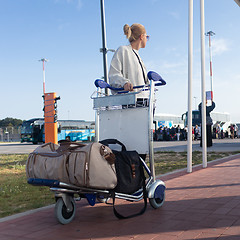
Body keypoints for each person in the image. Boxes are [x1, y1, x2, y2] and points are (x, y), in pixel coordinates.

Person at [109, 23, 149, 99]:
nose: (147, 39)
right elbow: (113, 75)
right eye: (147, 37)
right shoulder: (123, 50)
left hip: (144, 101)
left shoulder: (138, 57)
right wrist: (124, 83)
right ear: (141, 36)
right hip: (130, 102)